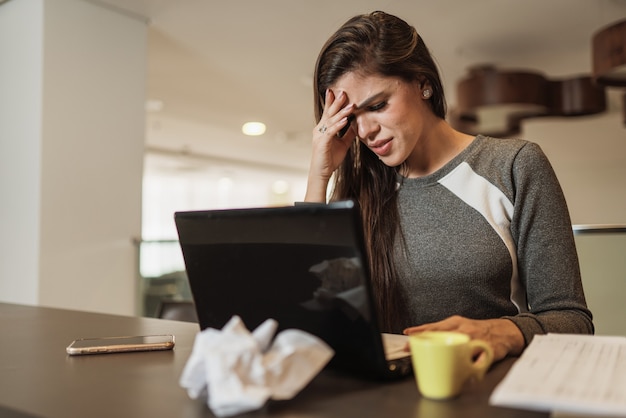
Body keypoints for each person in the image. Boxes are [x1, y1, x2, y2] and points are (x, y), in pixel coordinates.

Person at [304, 11, 593, 361]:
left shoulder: (514, 165)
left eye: (377, 106)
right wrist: (319, 176)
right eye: (351, 119)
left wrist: (500, 330)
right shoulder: (360, 188)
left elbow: (571, 319)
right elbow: (317, 308)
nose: (365, 132)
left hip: (487, 393)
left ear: (423, 83)